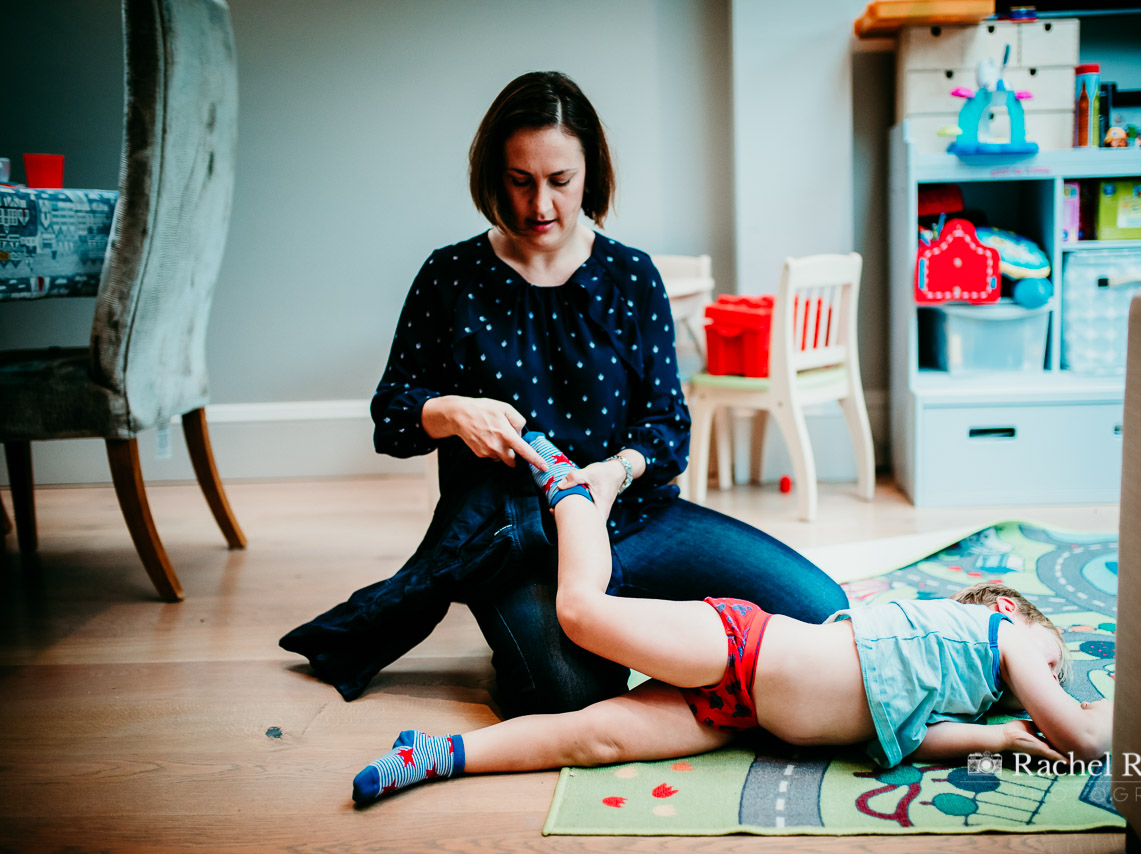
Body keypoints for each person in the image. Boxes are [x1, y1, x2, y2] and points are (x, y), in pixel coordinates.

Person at [279, 71, 849, 716]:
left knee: (825, 616)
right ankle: (603, 628)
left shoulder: (631, 275)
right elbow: (393, 415)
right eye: (521, 181)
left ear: (590, 174)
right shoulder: (449, 276)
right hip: (516, 538)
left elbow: (668, 426)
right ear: (494, 176)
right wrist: (447, 411)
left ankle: (633, 620)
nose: (540, 206)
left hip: (632, 515)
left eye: (560, 181)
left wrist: (612, 475)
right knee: (570, 698)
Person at [349, 436, 1113, 804]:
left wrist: (997, 738)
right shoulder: (996, 635)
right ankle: (573, 491)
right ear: (1011, 611)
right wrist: (1134, 715)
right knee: (582, 611)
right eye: (1052, 669)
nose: (1043, 686)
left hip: (745, 716)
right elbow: (1079, 737)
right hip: (742, 645)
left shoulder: (965, 691)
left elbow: (908, 734)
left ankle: (438, 755)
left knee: (594, 737)